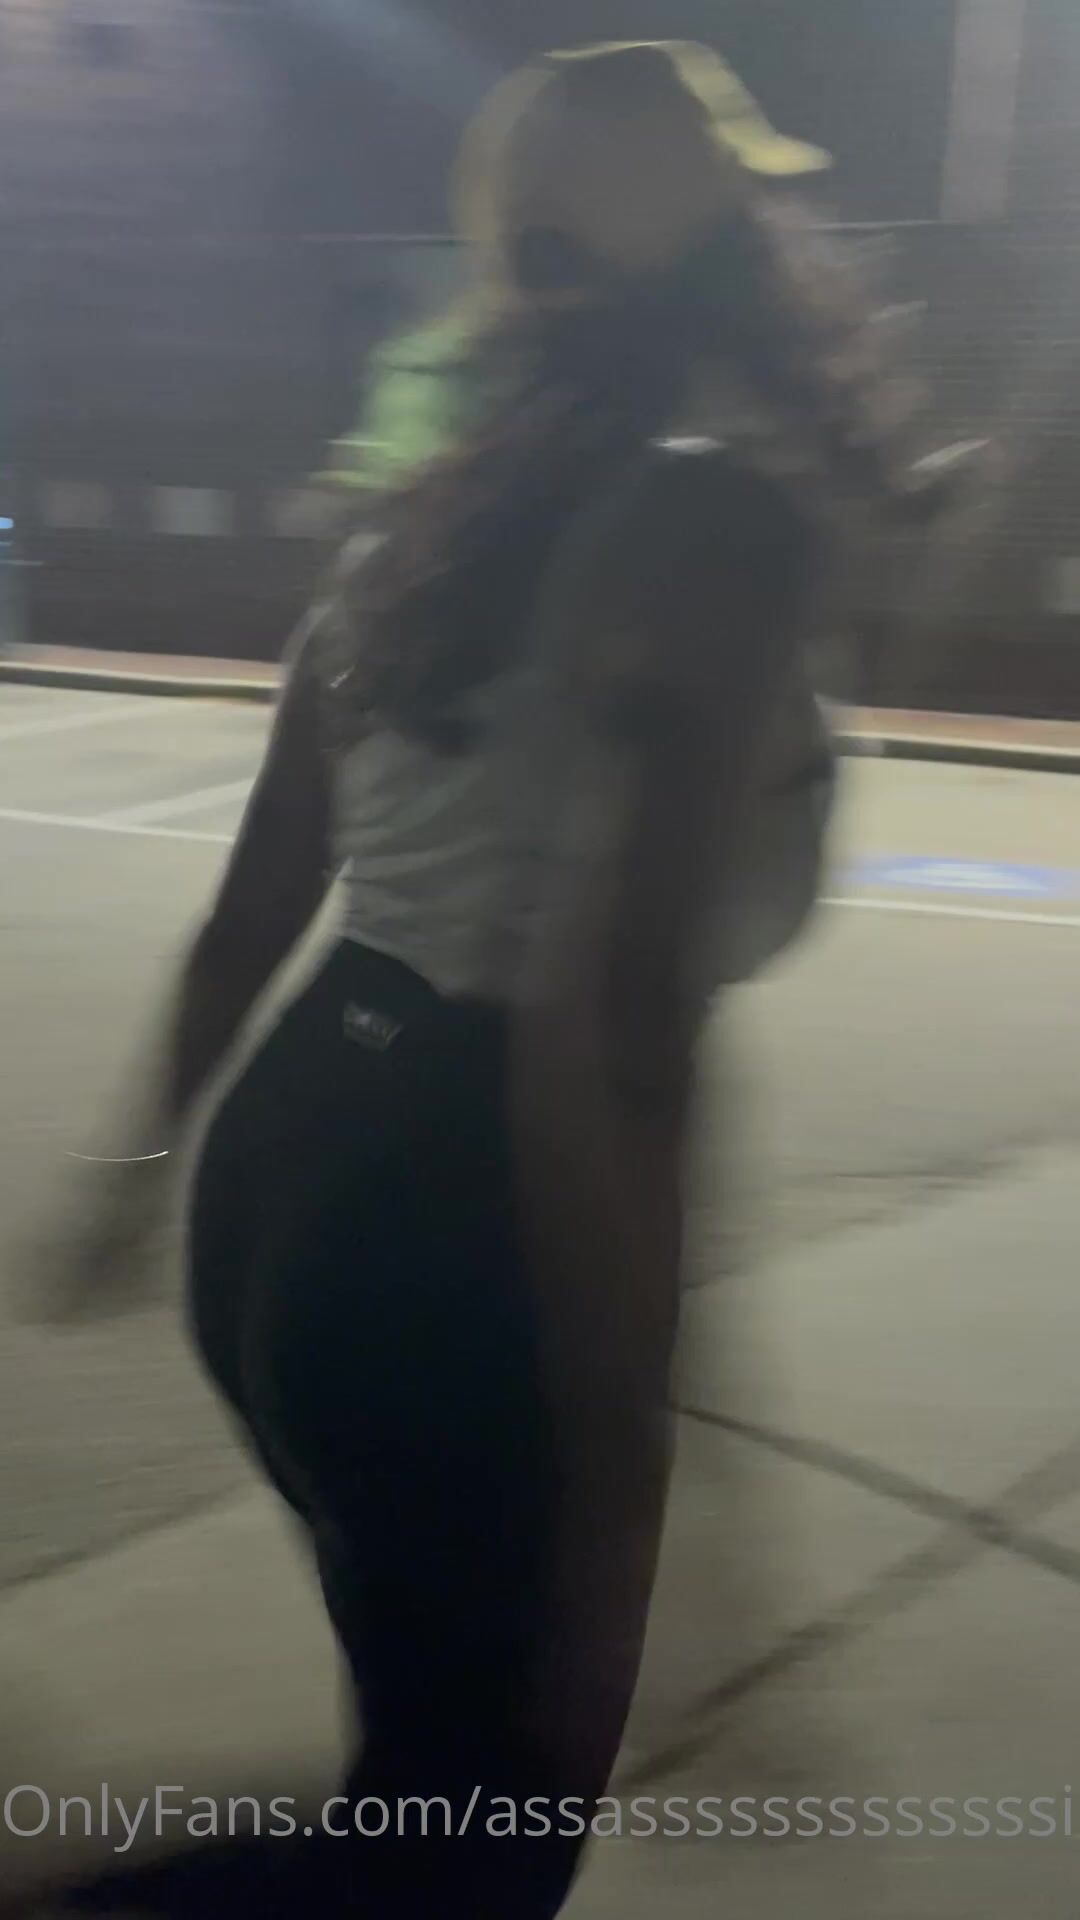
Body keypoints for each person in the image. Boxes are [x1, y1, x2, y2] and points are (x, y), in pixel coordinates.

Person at [43, 39, 973, 1920]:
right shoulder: (714, 529)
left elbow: (264, 892)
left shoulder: (434, 513)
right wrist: (641, 1469)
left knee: (416, 1791)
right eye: (762, 210)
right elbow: (608, 1036)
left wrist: (140, 1173)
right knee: (472, 1862)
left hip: (291, 1185)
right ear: (731, 245)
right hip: (458, 1231)